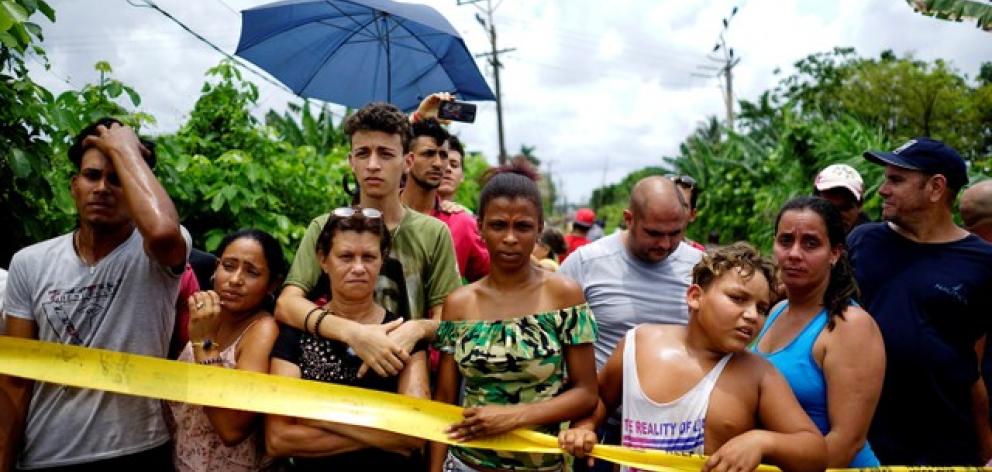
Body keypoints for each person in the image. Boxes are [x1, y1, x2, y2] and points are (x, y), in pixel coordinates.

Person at [1, 119, 190, 471]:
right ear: (74, 186)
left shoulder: (154, 255)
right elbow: (14, 381)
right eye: (92, 176)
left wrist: (124, 148)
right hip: (46, 452)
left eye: (118, 178)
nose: (102, 188)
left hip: (138, 451)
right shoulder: (29, 263)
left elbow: (163, 230)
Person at [559, 243, 827, 472]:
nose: (752, 316)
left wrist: (761, 441)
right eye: (737, 298)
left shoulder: (758, 375)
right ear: (695, 297)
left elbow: (815, 451)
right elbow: (602, 399)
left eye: (762, 308)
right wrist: (585, 426)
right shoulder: (639, 344)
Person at [431, 162, 599, 472]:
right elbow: (444, 401)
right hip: (467, 465)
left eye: (522, 226)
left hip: (542, 466)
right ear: (480, 227)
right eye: (498, 225)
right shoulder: (459, 303)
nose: (510, 238)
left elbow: (586, 393)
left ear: (539, 229)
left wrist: (514, 416)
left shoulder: (564, 295)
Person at [276, 102, 460, 379]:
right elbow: (287, 303)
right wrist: (353, 334)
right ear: (352, 161)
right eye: (363, 153)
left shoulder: (433, 233)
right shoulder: (324, 226)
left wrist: (416, 329)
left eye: (385, 154)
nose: (373, 165)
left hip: (409, 373)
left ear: (407, 162)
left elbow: (451, 319)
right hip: (330, 373)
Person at [848, 138, 992, 465]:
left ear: (936, 187)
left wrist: (987, 453)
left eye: (896, 180)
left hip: (946, 447)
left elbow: (975, 365)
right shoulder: (863, 241)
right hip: (861, 442)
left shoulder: (983, 262)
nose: (882, 190)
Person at [267, 207, 429, 470]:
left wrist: (316, 416)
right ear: (322, 259)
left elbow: (414, 433)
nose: (358, 268)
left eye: (369, 257)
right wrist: (386, 433)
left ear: (382, 259)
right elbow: (279, 439)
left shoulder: (403, 335)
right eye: (345, 256)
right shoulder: (296, 333)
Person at [560, 176, 703, 466]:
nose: (665, 244)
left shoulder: (701, 267)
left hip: (678, 431)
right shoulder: (586, 263)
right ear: (629, 219)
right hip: (600, 427)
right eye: (653, 233)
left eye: (675, 233)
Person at [754, 196, 884, 467]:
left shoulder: (849, 326)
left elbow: (847, 442)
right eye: (785, 241)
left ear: (834, 253)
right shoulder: (776, 311)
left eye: (811, 243)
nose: (794, 254)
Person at [168, 229, 285, 471]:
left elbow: (232, 428)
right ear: (215, 268)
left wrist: (205, 344)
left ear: (272, 284)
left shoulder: (262, 332)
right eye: (229, 266)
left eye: (251, 272)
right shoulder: (209, 317)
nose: (235, 279)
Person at [401, 118, 489, 282]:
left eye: (443, 155)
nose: (438, 163)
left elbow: (494, 280)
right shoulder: (385, 213)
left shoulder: (462, 222)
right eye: (428, 154)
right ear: (408, 160)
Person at [812, 164, 871, 234]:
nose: (837, 215)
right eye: (828, 207)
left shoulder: (871, 240)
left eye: (844, 208)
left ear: (859, 206)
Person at [667, 173, 706, 250]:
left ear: (692, 215)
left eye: (682, 206)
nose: (674, 211)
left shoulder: (700, 255)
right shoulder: (639, 250)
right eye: (667, 203)